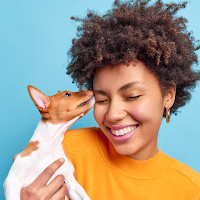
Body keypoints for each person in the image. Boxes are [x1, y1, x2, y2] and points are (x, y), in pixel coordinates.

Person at [21, 0, 200, 199]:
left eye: (132, 96)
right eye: (101, 99)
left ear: (168, 96)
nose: (113, 115)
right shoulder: (61, 150)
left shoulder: (191, 189)